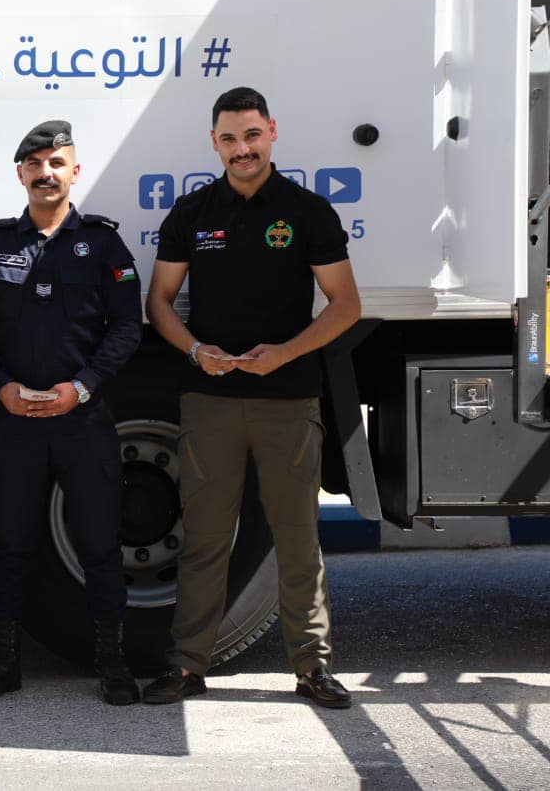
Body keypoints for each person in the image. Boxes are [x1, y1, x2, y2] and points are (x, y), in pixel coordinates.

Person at [142, 87, 361, 708]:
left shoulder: (307, 211)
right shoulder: (192, 213)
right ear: (214, 143)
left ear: (272, 133)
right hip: (209, 400)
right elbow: (159, 302)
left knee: (297, 537)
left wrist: (284, 354)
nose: (243, 149)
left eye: (252, 135)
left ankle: (312, 668)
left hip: (288, 399)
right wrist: (195, 351)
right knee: (205, 538)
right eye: (230, 139)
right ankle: (187, 666)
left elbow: (346, 305)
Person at [0, 120, 143, 706]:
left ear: (74, 171)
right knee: (9, 543)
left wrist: (83, 387)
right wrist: (0, 388)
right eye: (35, 164)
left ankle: (112, 662)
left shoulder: (104, 244)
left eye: (56, 163)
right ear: (20, 173)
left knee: (99, 543)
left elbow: (127, 328)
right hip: (13, 421)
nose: (46, 173)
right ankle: (4, 661)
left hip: (81, 420)